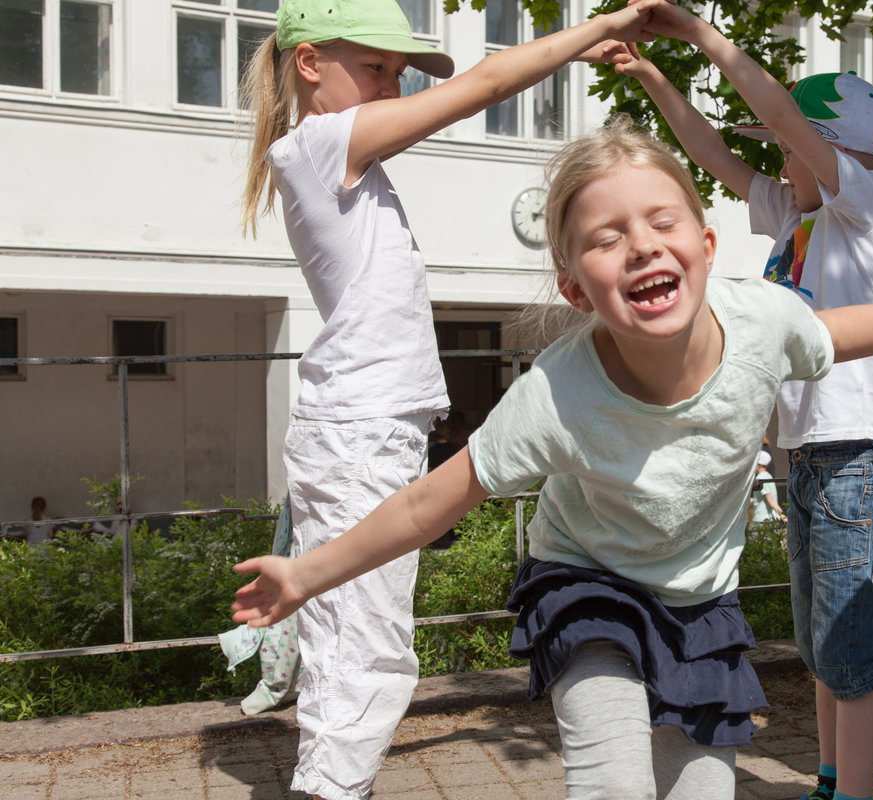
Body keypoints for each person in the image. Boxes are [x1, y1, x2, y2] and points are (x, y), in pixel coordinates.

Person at [232, 115, 873, 800]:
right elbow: (426, 502)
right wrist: (308, 574)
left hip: (698, 598)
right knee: (615, 777)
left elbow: (843, 331)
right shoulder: (556, 396)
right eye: (608, 238)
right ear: (576, 288)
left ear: (705, 241)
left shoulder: (761, 321)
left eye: (662, 223)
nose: (643, 248)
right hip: (588, 584)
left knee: (701, 787)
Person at [237, 2, 667, 798]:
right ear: (308, 65)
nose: (392, 86)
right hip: (360, 430)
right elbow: (489, 80)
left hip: (368, 426)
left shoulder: (337, 160)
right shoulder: (325, 143)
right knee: (368, 650)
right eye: (376, 68)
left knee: (352, 643)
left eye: (397, 73)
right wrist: (591, 29)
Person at [592, 8, 873, 799]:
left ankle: (854, 795)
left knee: (850, 650)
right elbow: (710, 152)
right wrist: (654, 79)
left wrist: (703, 38)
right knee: (819, 647)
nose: (776, 162)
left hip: (854, 455)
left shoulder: (865, 209)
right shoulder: (795, 218)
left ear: (831, 148)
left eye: (790, 148)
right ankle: (832, 782)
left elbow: (775, 118)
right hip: (807, 453)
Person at [751, 451, 786, 525]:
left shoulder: (760, 478)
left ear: (759, 465)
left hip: (762, 520)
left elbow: (770, 501)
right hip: (770, 519)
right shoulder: (768, 476)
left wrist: (783, 517)